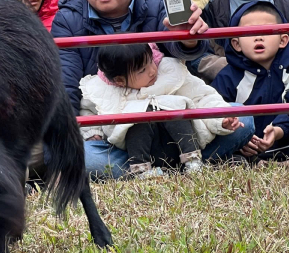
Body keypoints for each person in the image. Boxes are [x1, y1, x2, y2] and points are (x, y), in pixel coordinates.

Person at [51, 0, 246, 179]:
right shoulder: (68, 19)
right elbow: (66, 82)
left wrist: (188, 37)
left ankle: (158, 166)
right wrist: (72, 136)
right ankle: (176, 163)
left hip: (172, 116)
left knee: (242, 116)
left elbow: (181, 47)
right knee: (87, 159)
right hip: (118, 131)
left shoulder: (158, 5)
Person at [80, 43, 244, 178]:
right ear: (120, 81)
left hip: (186, 143)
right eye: (142, 70)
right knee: (86, 155)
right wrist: (93, 134)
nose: (152, 70)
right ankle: (142, 172)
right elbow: (90, 112)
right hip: (133, 152)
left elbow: (202, 97)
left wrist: (222, 119)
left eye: (151, 61)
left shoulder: (169, 72)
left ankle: (193, 163)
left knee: (244, 116)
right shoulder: (100, 90)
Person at [211, 2, 289, 164]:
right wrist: (239, 137)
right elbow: (214, 112)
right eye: (249, 32)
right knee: (219, 147)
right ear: (236, 44)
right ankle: (286, 162)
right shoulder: (227, 76)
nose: (258, 37)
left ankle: (262, 162)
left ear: (283, 40)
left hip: (282, 138)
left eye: (266, 31)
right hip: (245, 145)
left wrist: (279, 130)